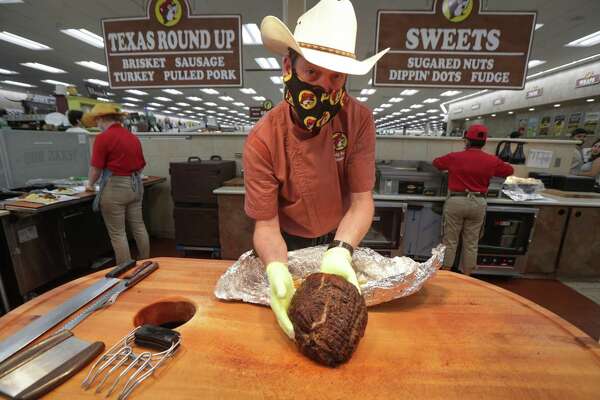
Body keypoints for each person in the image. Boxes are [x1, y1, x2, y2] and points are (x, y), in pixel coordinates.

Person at [243, 0, 389, 338]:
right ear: (287, 66)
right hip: (285, 241)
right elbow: (266, 225)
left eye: (336, 76)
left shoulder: (358, 120)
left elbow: (361, 201)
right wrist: (278, 269)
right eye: (312, 73)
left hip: (341, 236)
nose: (325, 87)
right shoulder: (263, 139)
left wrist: (340, 252)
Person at [433, 124, 514, 276]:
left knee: (450, 241)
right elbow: (509, 171)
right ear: (484, 142)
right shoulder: (491, 160)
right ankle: (468, 275)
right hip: (478, 202)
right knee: (471, 242)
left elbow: (436, 163)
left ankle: (446, 273)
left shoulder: (455, 157)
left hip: (456, 201)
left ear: (467, 141)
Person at [82, 104, 150, 265]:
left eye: (96, 119)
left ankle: (125, 270)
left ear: (100, 118)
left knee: (118, 233)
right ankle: (147, 262)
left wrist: (90, 184)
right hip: (136, 186)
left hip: (115, 189)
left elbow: (96, 168)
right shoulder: (132, 137)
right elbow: (141, 165)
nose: (97, 123)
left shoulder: (103, 138)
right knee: (139, 226)